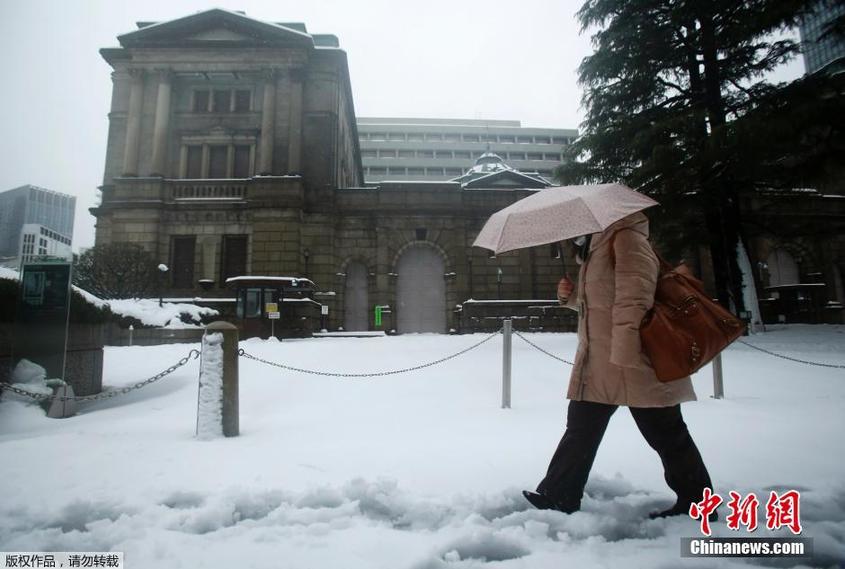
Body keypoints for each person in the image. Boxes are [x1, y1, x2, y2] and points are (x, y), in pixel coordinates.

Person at [523, 211, 714, 519]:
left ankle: (698, 504)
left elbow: (635, 298)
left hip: (636, 360)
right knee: (581, 427)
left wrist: (625, 353)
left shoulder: (626, 239)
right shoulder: (599, 244)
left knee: (666, 433)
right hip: (601, 362)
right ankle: (558, 495)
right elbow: (604, 299)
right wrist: (570, 298)